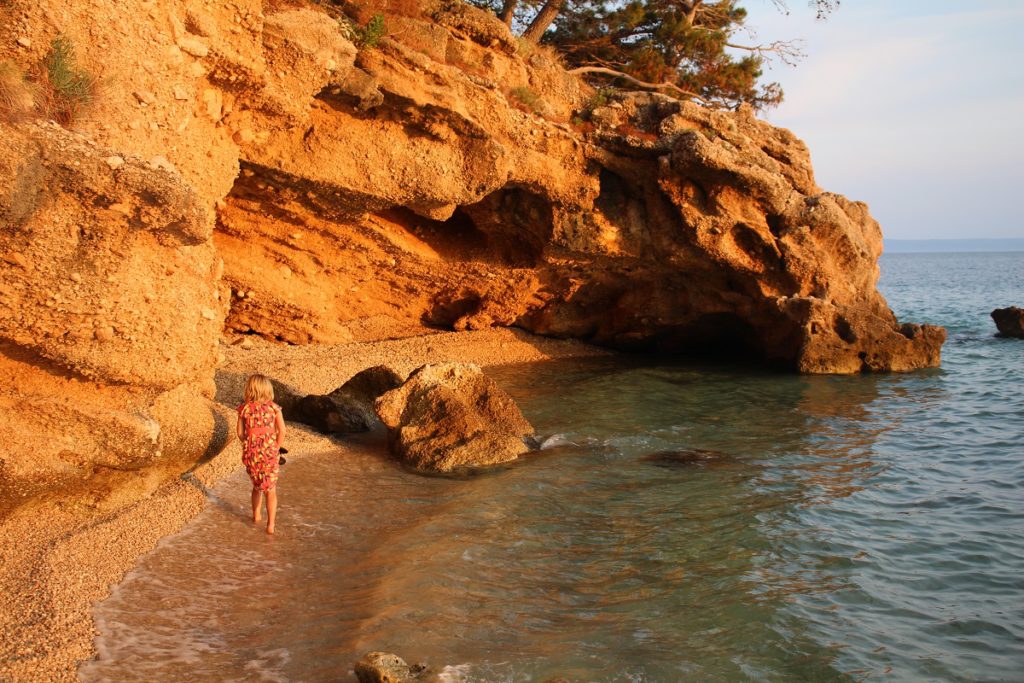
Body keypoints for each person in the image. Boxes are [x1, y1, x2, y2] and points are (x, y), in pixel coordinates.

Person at [236, 374, 286, 534]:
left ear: (249, 389)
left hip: (251, 453)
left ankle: (256, 516)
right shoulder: (274, 408)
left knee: (257, 487)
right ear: (268, 389)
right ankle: (270, 525)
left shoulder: (244, 408)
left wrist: (249, 442)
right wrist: (276, 447)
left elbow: (240, 433)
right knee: (270, 489)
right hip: (269, 452)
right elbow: (282, 430)